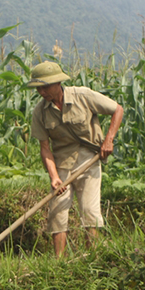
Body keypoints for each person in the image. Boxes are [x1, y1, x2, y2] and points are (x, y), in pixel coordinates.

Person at [28, 61, 123, 257]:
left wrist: (108, 140)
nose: (42, 92)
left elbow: (117, 110)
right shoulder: (40, 112)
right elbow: (45, 149)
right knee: (57, 211)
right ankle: (59, 263)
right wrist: (54, 177)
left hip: (89, 158)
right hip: (61, 162)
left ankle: (92, 259)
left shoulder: (83, 96)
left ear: (57, 83)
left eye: (45, 87)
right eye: (38, 88)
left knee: (90, 210)